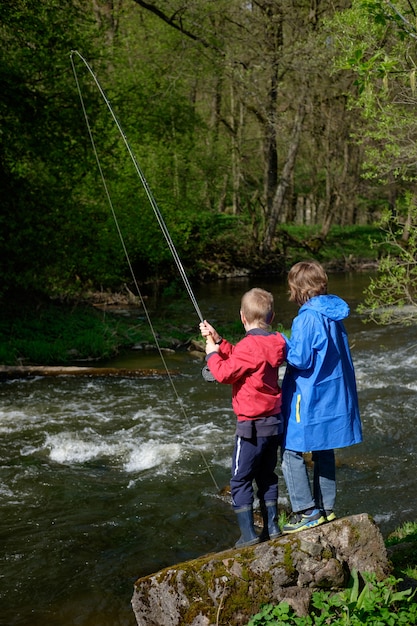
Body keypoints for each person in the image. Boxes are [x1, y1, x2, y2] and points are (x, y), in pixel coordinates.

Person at [200, 288, 286, 547]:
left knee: (239, 479)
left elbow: (226, 373)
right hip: (273, 424)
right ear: (271, 317)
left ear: (242, 317)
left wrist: (212, 353)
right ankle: (272, 527)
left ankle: (248, 535)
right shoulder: (276, 342)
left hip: (250, 427)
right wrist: (220, 340)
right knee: (267, 475)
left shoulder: (249, 347)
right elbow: (245, 358)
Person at [280, 260, 363, 533]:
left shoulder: (305, 318)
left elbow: (300, 359)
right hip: (333, 395)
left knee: (291, 450)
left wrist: (281, 342)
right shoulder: (334, 316)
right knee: (324, 448)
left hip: (310, 395)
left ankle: (305, 510)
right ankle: (325, 509)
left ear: (298, 289)